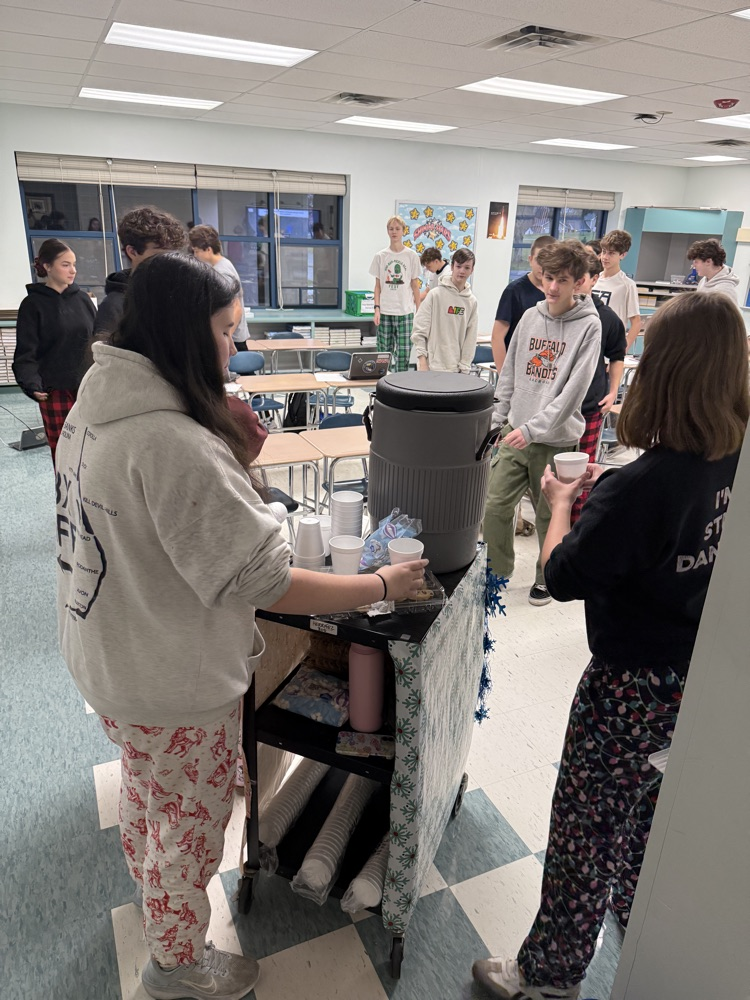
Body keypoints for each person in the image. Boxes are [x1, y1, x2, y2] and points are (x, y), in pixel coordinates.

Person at [55, 252, 427, 1000]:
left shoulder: (99, 408)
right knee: (192, 828)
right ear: (187, 337)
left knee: (149, 795)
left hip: (109, 661)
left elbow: (153, 535)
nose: (235, 345)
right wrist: (380, 581)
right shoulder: (172, 445)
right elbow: (267, 581)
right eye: (227, 332)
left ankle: (155, 898)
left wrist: (230, 455)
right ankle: (176, 965)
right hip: (168, 679)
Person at [472, 291, 748, 1000]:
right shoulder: (732, 462)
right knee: (651, 810)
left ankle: (549, 975)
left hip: (627, 688)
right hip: (699, 680)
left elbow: (563, 575)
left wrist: (565, 506)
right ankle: (638, 908)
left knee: (583, 833)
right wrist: (606, 499)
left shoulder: (643, 484)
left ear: (666, 373)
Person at [482, 240, 600, 606]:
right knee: (494, 507)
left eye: (562, 280)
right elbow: (511, 374)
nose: (552, 287)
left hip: (556, 441)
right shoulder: (531, 317)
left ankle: (546, 579)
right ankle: (496, 574)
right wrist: (497, 420)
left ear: (578, 281)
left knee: (549, 517)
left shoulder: (589, 327)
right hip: (514, 432)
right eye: (548, 277)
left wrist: (531, 429)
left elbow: (572, 395)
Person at [12, 238, 96, 463]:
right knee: (64, 451)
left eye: (74, 264)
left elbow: (96, 340)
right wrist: (32, 385)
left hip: (87, 387)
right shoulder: (32, 305)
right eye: (66, 264)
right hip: (55, 390)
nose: (73, 270)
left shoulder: (83, 300)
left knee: (92, 449)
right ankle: (66, 496)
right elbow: (26, 352)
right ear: (47, 267)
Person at [571, 250, 626, 523]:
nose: (577, 283)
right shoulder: (557, 311)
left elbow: (617, 357)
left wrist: (613, 390)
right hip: (554, 406)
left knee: (582, 467)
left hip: (589, 404)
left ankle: (577, 521)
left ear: (594, 279)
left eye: (582, 278)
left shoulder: (608, 319)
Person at [92, 206, 186, 336]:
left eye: (173, 254)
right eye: (160, 254)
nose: (169, 260)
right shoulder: (115, 306)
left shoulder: (178, 295)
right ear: (132, 252)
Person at [491, 235, 557, 371]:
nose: (543, 266)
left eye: (548, 260)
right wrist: (503, 375)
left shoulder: (556, 293)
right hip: (518, 369)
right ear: (530, 259)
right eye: (539, 259)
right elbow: (497, 337)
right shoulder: (514, 291)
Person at [411, 248, 477, 373]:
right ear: (452, 267)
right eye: (459, 266)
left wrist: (464, 368)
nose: (462, 271)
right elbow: (419, 330)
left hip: (456, 370)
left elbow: (470, 338)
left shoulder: (471, 302)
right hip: (432, 367)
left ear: (472, 270)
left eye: (467, 268)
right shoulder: (435, 295)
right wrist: (422, 361)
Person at [369, 215, 421, 372]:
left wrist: (419, 311)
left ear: (403, 231)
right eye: (391, 229)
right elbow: (377, 286)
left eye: (397, 229)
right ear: (387, 231)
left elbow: (415, 285)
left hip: (405, 312)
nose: (394, 232)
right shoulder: (381, 256)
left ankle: (401, 388)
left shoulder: (411, 255)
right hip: (385, 310)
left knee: (404, 354)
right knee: (383, 353)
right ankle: (383, 386)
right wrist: (376, 308)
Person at [189, 224, 249, 350]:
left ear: (208, 250)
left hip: (232, 339)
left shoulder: (221, 272)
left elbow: (236, 308)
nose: (195, 255)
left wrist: (227, 339)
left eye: (197, 251)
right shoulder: (221, 265)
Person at [592, 229, 640, 349]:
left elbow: (636, 322)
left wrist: (623, 349)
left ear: (622, 255)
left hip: (610, 346)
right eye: (604, 252)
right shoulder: (593, 279)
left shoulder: (627, 285)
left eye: (611, 253)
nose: (605, 257)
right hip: (591, 343)